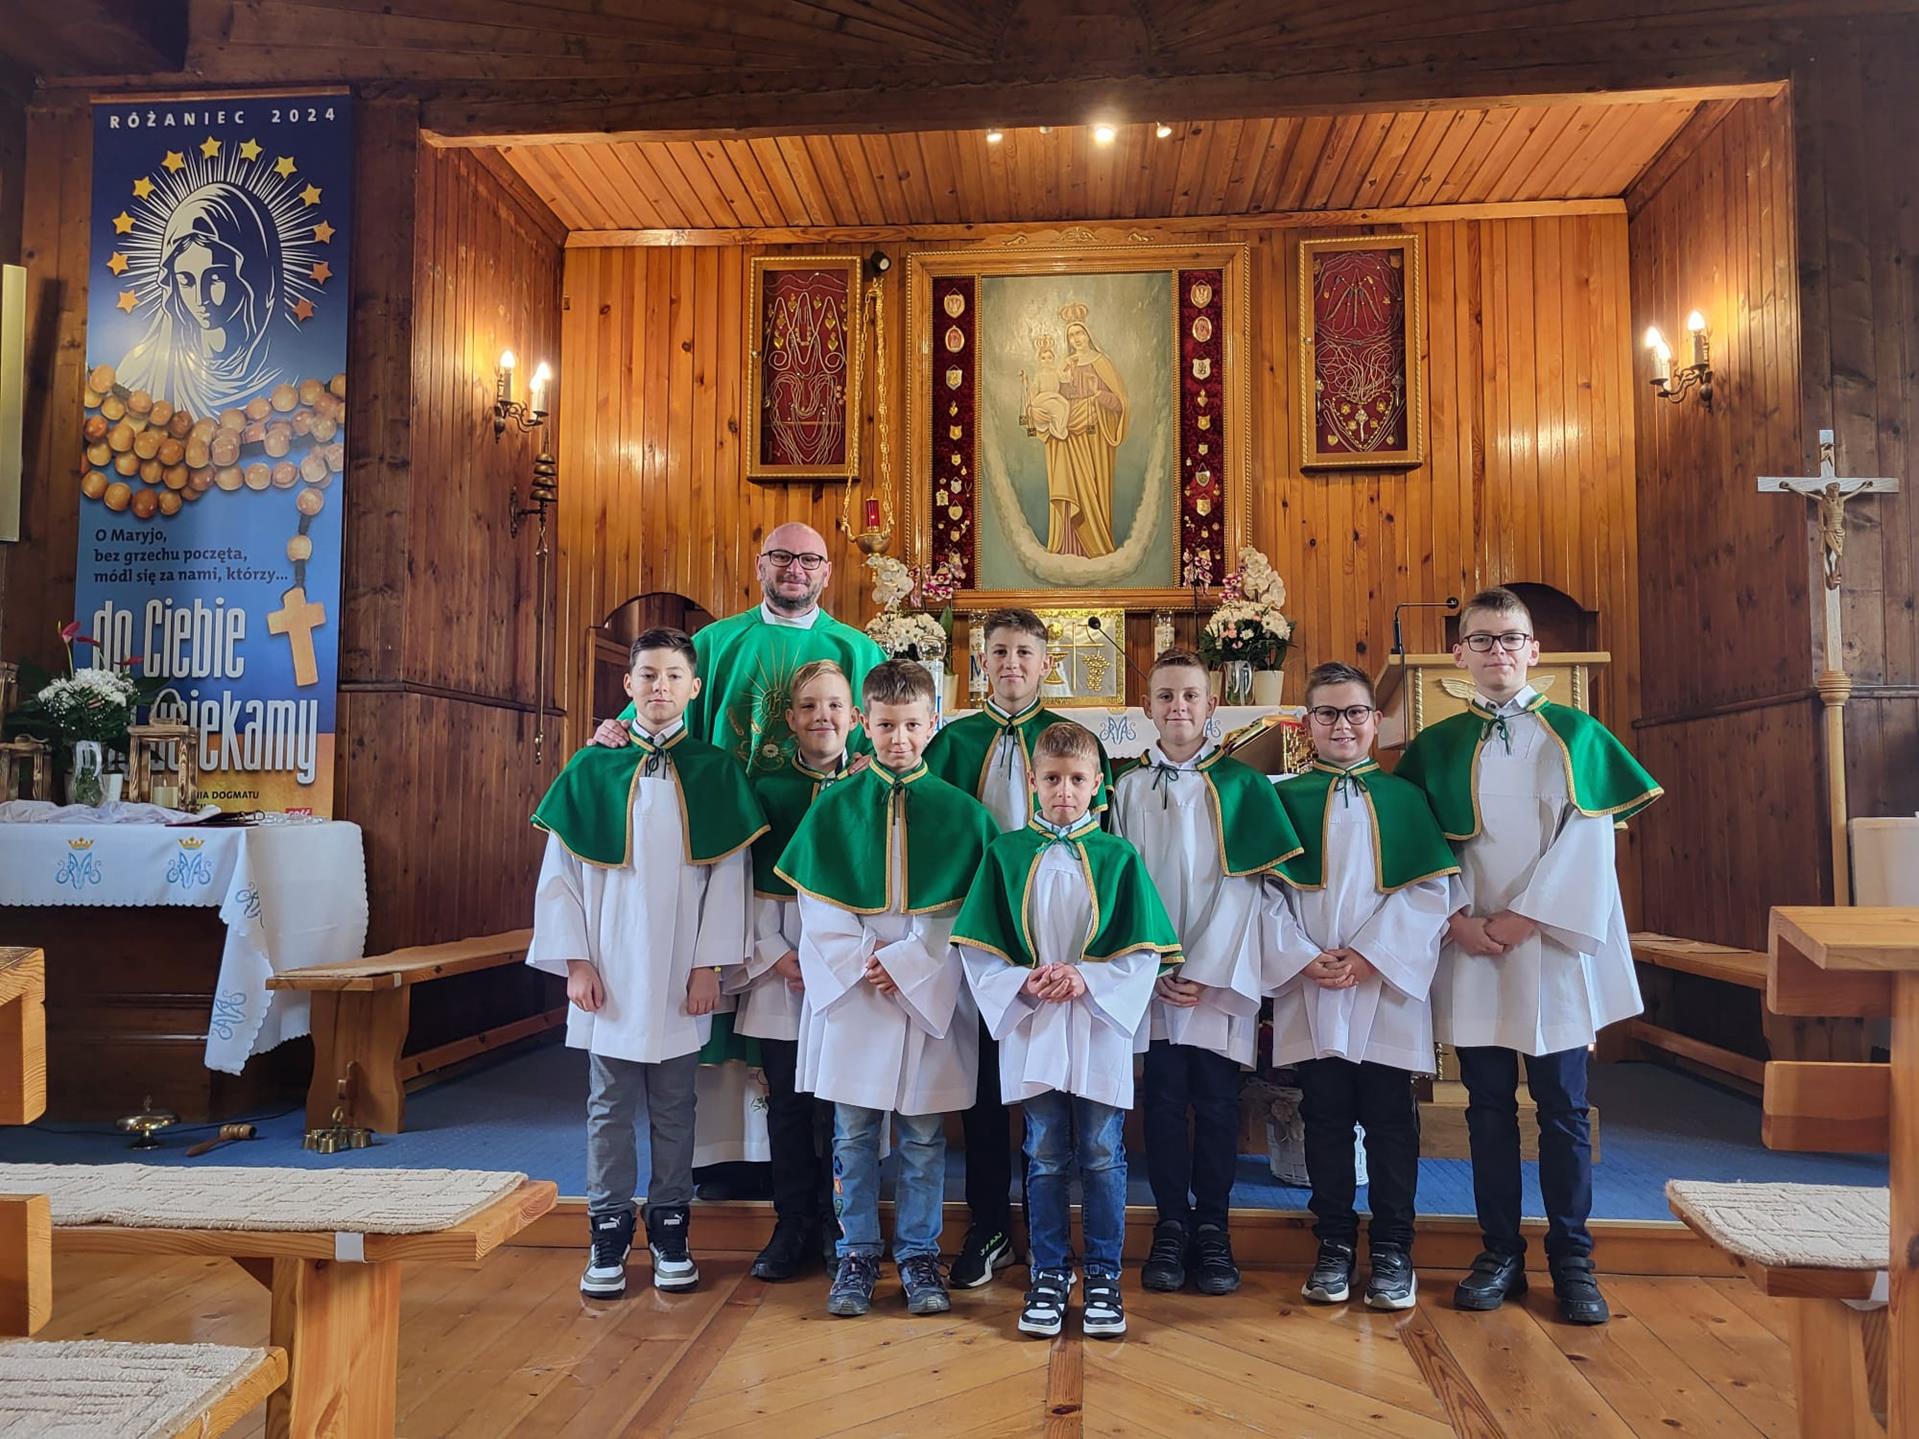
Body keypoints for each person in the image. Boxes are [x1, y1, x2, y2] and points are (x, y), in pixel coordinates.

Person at [1395, 587, 1662, 1326]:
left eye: (1510, 638)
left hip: (1549, 945)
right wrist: (1455, 918)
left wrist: (1522, 917)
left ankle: (1573, 1259)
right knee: (1486, 1109)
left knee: (1562, 1109)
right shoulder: (1436, 746)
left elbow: (1589, 840)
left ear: (1534, 650)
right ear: (1458, 655)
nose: (1497, 651)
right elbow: (1416, 841)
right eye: (1481, 640)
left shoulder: (1574, 735)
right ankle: (1499, 1252)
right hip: (1470, 943)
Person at [527, 627, 763, 1300]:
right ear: (628, 685)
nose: (661, 687)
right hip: (608, 971)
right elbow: (560, 877)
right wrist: (576, 962)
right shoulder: (589, 769)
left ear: (694, 688)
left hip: (681, 974)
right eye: (649, 675)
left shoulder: (715, 772)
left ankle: (669, 1226)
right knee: (607, 1106)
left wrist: (708, 966)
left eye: (673, 676)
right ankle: (606, 1228)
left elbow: (729, 879)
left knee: (675, 1107)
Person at [774, 660, 997, 1318]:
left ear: (933, 724)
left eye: (911, 725)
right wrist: (866, 957)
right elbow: (816, 905)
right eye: (885, 725)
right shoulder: (834, 807)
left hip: (928, 992)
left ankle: (920, 1253)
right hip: (857, 994)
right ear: (862, 725)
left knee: (925, 1136)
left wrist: (908, 961)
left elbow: (966, 911)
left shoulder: (964, 814)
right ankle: (856, 1253)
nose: (899, 738)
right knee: (852, 1133)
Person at [954, 722, 1181, 1340]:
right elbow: (978, 949)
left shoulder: (1119, 858)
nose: (1064, 791)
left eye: (1077, 780)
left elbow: (1145, 954)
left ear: (1097, 785)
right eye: (1052, 779)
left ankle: (1104, 1276)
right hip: (1034, 1023)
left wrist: (1088, 979)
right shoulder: (1005, 855)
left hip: (1098, 1024)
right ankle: (1049, 1273)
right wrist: (1022, 982)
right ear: (1032, 782)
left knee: (1104, 1153)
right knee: (1045, 1151)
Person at [923, 605, 1115, 1289]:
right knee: (982, 1089)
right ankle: (988, 1223)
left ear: (1045, 664)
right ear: (981, 662)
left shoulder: (1070, 744)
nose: (1010, 664)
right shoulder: (951, 741)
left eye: (1023, 653)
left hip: (1059, 942)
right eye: (998, 652)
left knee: (1055, 1099)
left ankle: (1056, 1236)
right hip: (980, 936)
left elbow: (1101, 847)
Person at [1110, 649, 1303, 1297]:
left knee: (1219, 1102)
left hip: (1221, 975)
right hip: (1154, 974)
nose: (1178, 707)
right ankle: (1170, 1224)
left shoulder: (1242, 785)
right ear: (1147, 707)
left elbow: (1248, 888)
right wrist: (1156, 962)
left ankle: (1214, 1227)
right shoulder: (1128, 787)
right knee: (1163, 1101)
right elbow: (1123, 880)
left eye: (1190, 695)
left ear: (1211, 705)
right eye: (1165, 696)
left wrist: (1204, 966)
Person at [1266, 661, 1457, 1311]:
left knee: (1388, 1118)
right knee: (1322, 1114)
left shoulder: (1405, 799)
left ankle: (1395, 1248)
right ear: (1305, 724)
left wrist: (1372, 956)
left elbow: (1430, 890)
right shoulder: (1283, 798)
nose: (1341, 725)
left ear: (1375, 721)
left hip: (1384, 983)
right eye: (1327, 713)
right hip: (1313, 980)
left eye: (1354, 713)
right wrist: (1301, 956)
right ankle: (1333, 1244)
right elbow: (1260, 895)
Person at [737, 660, 856, 1280]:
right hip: (780, 970)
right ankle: (793, 1224)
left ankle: (843, 1224)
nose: (821, 717)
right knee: (786, 1106)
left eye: (834, 705)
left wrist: (839, 958)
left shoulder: (869, 787)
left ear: (854, 716)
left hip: (848, 973)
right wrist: (772, 952)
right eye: (809, 707)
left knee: (840, 1108)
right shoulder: (766, 789)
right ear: (789, 718)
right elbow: (742, 879)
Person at [595, 522, 886, 774]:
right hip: (729, 805)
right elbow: (652, 710)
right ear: (760, 566)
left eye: (809, 559)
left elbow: (892, 735)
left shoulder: (861, 651)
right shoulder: (714, 642)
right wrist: (618, 730)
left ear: (826, 573)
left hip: (824, 806)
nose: (795, 569)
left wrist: (875, 762)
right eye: (781, 557)